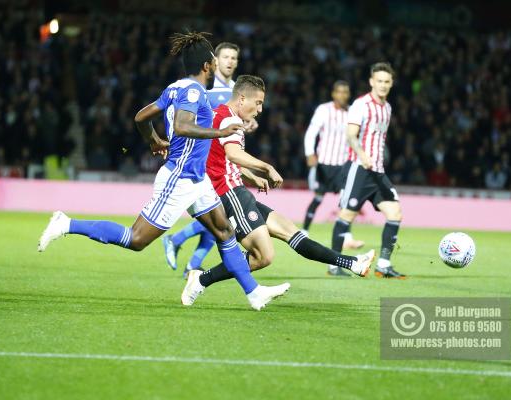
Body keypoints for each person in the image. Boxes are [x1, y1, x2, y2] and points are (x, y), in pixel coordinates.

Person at [37, 32, 289, 310]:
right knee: (135, 239)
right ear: (208, 65)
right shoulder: (194, 91)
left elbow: (141, 117)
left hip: (197, 179)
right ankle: (66, 224)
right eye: (215, 60)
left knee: (225, 232)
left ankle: (254, 294)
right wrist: (220, 130)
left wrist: (153, 140)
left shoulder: (176, 87)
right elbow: (182, 125)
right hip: (180, 177)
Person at [181, 75, 375, 306]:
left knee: (290, 231)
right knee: (264, 256)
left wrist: (251, 176)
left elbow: (219, 160)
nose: (260, 109)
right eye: (259, 102)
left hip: (236, 189)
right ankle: (201, 280)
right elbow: (233, 154)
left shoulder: (220, 115)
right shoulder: (228, 119)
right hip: (228, 193)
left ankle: (351, 263)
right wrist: (267, 167)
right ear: (242, 98)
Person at [162, 42, 257, 277]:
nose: (230, 61)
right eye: (225, 57)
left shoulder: (237, 90)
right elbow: (192, 118)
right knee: (219, 217)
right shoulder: (206, 89)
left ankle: (191, 262)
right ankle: (178, 242)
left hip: (225, 158)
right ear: (215, 61)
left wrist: (248, 122)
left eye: (234, 57)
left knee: (218, 218)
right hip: (205, 158)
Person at [334, 62, 406, 278]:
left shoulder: (388, 108)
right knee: (346, 216)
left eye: (387, 81)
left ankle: (383, 264)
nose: (383, 85)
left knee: (395, 213)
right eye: (379, 81)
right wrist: (362, 154)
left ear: (391, 83)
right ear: (371, 82)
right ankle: (334, 265)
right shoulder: (361, 105)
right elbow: (350, 135)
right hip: (360, 168)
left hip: (378, 171)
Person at [302, 81, 365, 276]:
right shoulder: (323, 110)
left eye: (345, 92)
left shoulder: (351, 113)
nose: (342, 95)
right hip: (324, 163)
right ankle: (304, 230)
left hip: (343, 165)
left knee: (346, 202)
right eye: (339, 91)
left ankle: (347, 235)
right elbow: (311, 132)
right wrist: (309, 153)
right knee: (319, 197)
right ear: (333, 93)